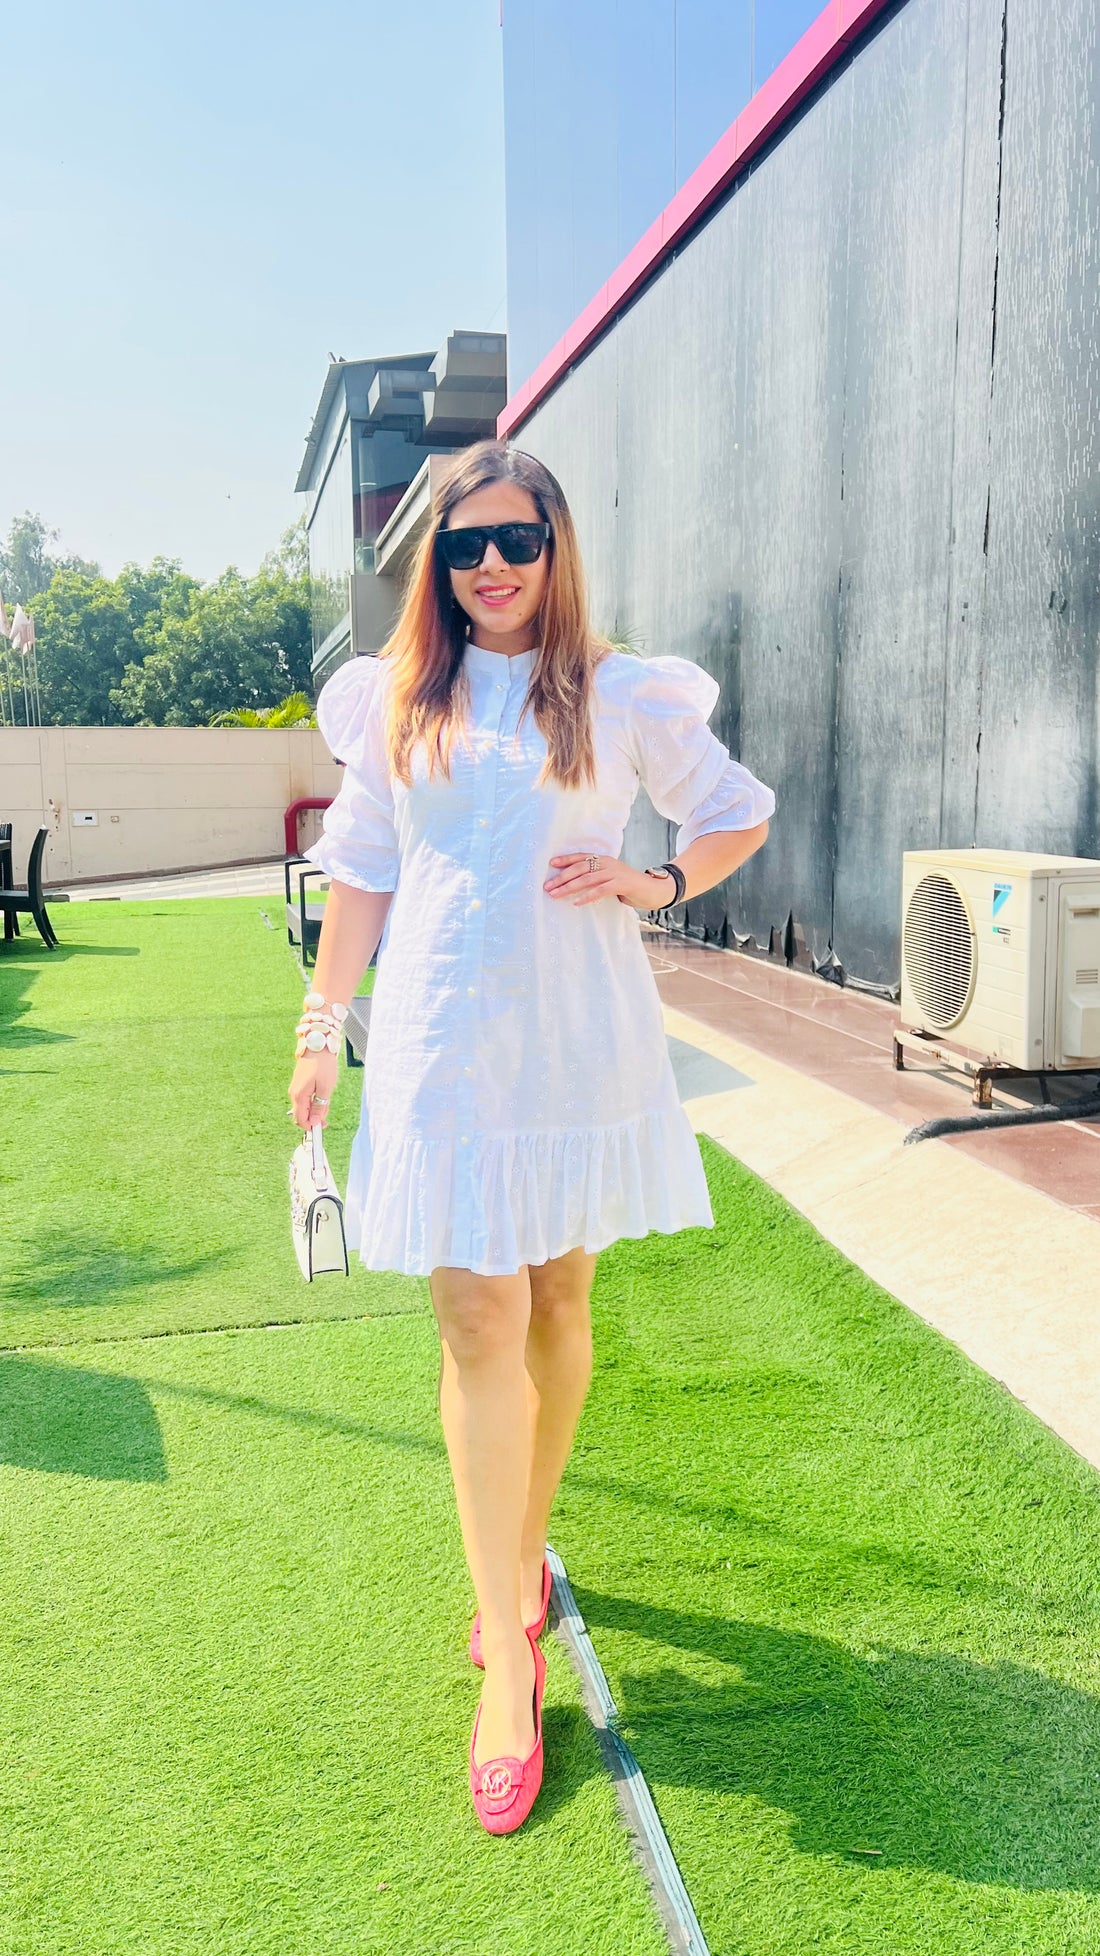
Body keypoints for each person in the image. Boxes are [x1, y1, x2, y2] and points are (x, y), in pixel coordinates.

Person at [287, 439, 774, 1834]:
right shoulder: (395, 697)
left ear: (556, 549)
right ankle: (507, 1650)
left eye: (516, 539)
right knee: (475, 1322)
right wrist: (321, 1024)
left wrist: (653, 879)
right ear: (434, 563)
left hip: (576, 1042)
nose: (491, 565)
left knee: (559, 1298)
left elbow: (734, 813)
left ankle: (519, 1556)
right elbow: (362, 869)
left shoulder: (619, 690)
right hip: (442, 1044)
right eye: (465, 544)